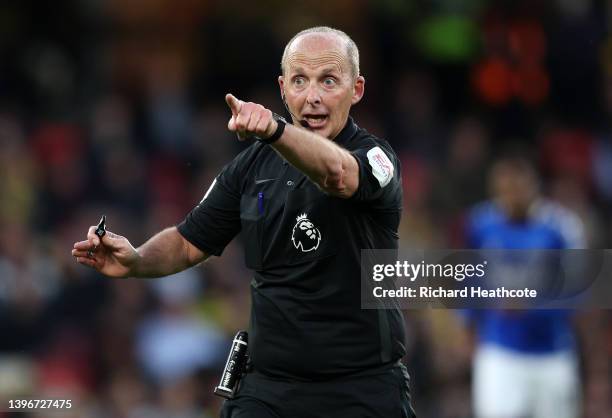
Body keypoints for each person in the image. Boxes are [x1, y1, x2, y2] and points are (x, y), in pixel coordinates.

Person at [72, 26, 416, 418]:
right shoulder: (252, 165)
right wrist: (136, 260)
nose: (313, 96)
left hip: (361, 389)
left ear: (356, 90)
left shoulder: (375, 157)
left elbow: (336, 173)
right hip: (269, 389)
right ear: (283, 88)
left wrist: (275, 130)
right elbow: (188, 242)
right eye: (300, 81)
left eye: (329, 81)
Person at [462, 156, 585, 418]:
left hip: (551, 353)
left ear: (534, 186)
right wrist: (468, 325)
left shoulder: (561, 228)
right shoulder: (480, 223)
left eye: (518, 188)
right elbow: (468, 278)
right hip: (499, 351)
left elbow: (578, 289)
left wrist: (532, 305)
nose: (511, 197)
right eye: (505, 190)